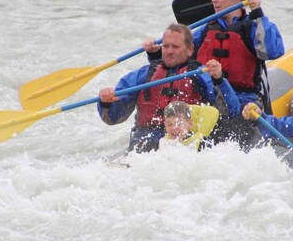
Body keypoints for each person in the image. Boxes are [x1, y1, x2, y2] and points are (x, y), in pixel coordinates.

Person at [98, 23, 240, 153]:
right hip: (145, 146)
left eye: (175, 47)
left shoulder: (201, 75)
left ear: (190, 49)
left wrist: (219, 79)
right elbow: (112, 118)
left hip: (184, 145)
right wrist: (106, 102)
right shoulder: (143, 75)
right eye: (165, 46)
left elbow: (232, 111)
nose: (169, 51)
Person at [193, 0, 285, 147]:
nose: (214, 0)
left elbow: (273, 51)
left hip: (244, 99)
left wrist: (257, 12)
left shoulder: (254, 25)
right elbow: (182, 51)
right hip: (210, 97)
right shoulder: (206, 28)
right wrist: (156, 51)